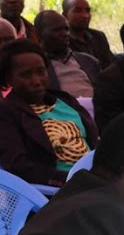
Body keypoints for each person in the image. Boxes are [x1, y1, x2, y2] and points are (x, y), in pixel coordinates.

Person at [0, 39, 97, 187]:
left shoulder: (65, 100)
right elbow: (18, 166)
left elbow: (94, 143)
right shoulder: (7, 112)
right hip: (56, 190)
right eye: (26, 75)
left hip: (96, 179)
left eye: (41, 72)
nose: (37, 81)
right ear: (8, 78)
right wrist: (71, 180)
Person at [35, 10, 100, 98]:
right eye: (57, 30)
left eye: (66, 29)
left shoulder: (89, 61)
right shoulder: (36, 66)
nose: (65, 34)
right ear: (40, 34)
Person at [62, 0, 115, 69]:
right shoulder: (62, 41)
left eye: (88, 11)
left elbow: (111, 64)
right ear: (65, 16)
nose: (85, 15)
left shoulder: (98, 37)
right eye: (78, 11)